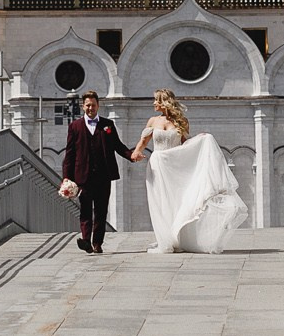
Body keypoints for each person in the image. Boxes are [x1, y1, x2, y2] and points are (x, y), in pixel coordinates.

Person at [129, 89, 249, 254]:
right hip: (158, 165)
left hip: (174, 166)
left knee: (177, 201)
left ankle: (178, 237)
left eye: (156, 100)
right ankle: (165, 239)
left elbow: (186, 143)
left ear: (164, 102)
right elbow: (143, 141)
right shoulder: (153, 121)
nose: (153, 103)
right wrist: (135, 152)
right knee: (160, 202)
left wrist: (200, 139)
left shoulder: (181, 121)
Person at [59, 91, 138, 253]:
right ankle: (86, 240)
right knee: (85, 210)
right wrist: (66, 178)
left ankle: (97, 243)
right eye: (87, 105)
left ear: (98, 106)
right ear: (83, 106)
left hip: (103, 175)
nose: (90, 108)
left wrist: (132, 155)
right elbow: (70, 153)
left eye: (93, 105)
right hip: (83, 176)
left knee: (101, 211)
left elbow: (118, 145)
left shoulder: (108, 125)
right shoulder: (75, 126)